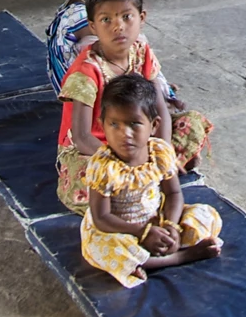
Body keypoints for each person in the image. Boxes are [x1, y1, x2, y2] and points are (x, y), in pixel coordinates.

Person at [55, 0, 213, 215]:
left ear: (141, 19)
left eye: (126, 17)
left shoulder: (141, 51)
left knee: (190, 123)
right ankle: (146, 181)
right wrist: (126, 164)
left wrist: (160, 152)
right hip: (101, 148)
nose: (118, 26)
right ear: (93, 26)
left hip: (140, 138)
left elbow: (160, 111)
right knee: (89, 179)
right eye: (106, 19)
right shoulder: (87, 71)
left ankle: (148, 179)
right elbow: (82, 136)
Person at [79, 75, 223, 287]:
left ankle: (154, 255)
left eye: (134, 124)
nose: (124, 134)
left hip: (156, 221)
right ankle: (180, 257)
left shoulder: (159, 152)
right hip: (119, 230)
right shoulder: (103, 166)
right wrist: (142, 232)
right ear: (102, 125)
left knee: (205, 216)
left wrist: (171, 227)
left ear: (154, 125)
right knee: (103, 247)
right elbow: (102, 217)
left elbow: (173, 194)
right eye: (114, 124)